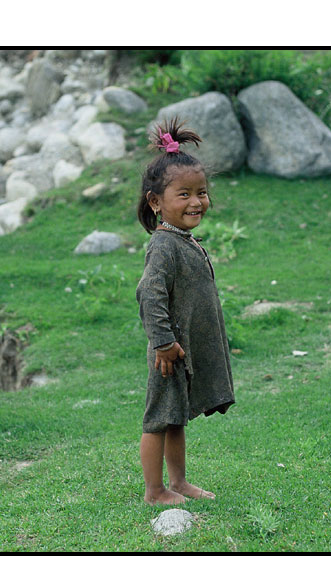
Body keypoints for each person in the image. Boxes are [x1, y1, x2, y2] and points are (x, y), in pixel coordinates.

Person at [135, 116, 235, 505]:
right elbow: (149, 296)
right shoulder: (163, 246)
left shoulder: (183, 239)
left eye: (202, 192)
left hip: (181, 349)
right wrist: (163, 343)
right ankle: (154, 490)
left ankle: (178, 482)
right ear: (156, 202)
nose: (196, 202)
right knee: (158, 419)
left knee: (176, 417)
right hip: (169, 353)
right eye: (184, 195)